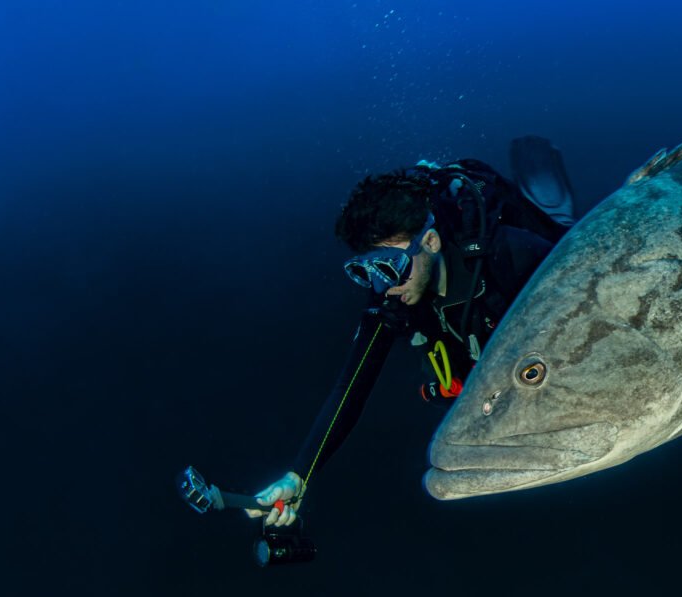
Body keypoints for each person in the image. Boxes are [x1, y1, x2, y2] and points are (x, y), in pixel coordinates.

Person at [245, 138, 576, 527]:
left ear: (431, 242)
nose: (386, 286)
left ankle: (541, 169)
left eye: (392, 265)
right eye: (369, 271)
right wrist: (298, 475)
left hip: (541, 263)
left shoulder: (510, 253)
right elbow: (349, 388)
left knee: (564, 230)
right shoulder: (390, 298)